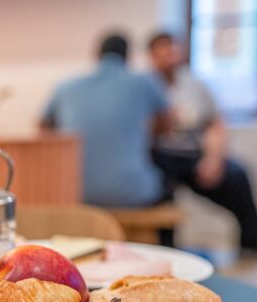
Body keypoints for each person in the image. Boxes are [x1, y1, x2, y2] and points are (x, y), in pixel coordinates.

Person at [148, 32, 257, 252]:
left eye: (172, 49)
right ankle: (167, 249)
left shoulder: (195, 85)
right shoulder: (145, 86)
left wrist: (213, 158)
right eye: (162, 51)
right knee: (159, 192)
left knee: (238, 176)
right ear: (152, 56)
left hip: (193, 155)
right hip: (159, 157)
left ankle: (250, 246)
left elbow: (215, 124)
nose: (169, 56)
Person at [40, 33, 171, 208]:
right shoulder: (144, 82)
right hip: (132, 194)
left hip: (73, 191)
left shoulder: (65, 86)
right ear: (128, 57)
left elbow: (43, 126)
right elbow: (168, 123)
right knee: (169, 180)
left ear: (96, 54)